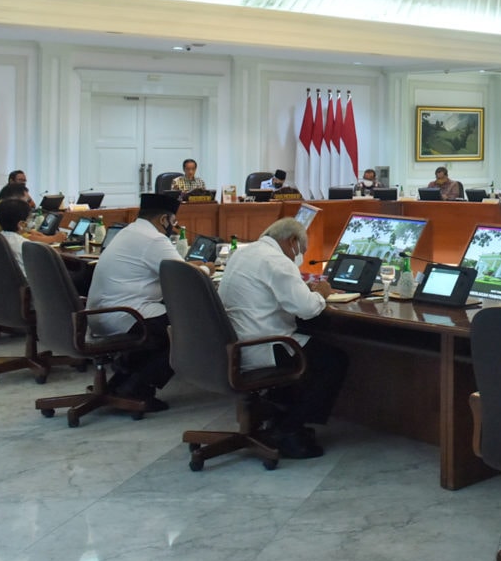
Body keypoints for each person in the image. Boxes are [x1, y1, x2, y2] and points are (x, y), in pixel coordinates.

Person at [217, 217, 350, 459]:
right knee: (333, 360)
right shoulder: (277, 260)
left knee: (313, 346)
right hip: (262, 346)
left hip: (236, 344)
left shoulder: (245, 253)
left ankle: (281, 416)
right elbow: (308, 309)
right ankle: (289, 430)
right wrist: (322, 293)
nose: (297, 257)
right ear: (292, 241)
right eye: (301, 250)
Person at [85, 193, 195, 410]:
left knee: (166, 321)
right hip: (125, 315)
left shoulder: (130, 231)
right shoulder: (154, 239)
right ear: (164, 219)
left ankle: (122, 381)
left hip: (101, 314)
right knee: (189, 328)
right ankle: (138, 386)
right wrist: (206, 268)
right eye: (173, 222)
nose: (173, 227)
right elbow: (183, 275)